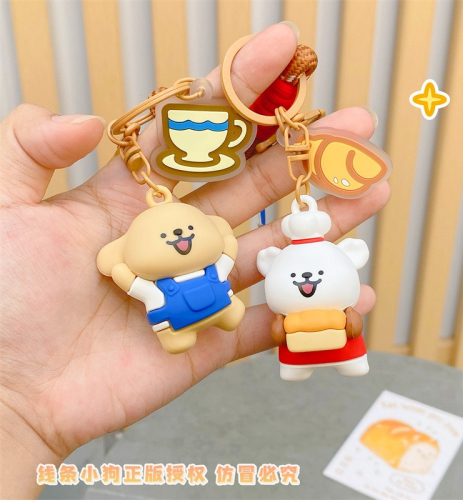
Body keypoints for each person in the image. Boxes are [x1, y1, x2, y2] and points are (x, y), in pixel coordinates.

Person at [0, 23, 389, 498]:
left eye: (188, 231)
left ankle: (298, 344)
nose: (182, 238)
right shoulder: (155, 272)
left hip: (224, 301)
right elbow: (142, 283)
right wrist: (15, 412)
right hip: (179, 312)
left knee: (240, 314)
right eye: (172, 236)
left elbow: (224, 256)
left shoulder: (216, 256)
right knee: (202, 327)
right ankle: (247, 336)